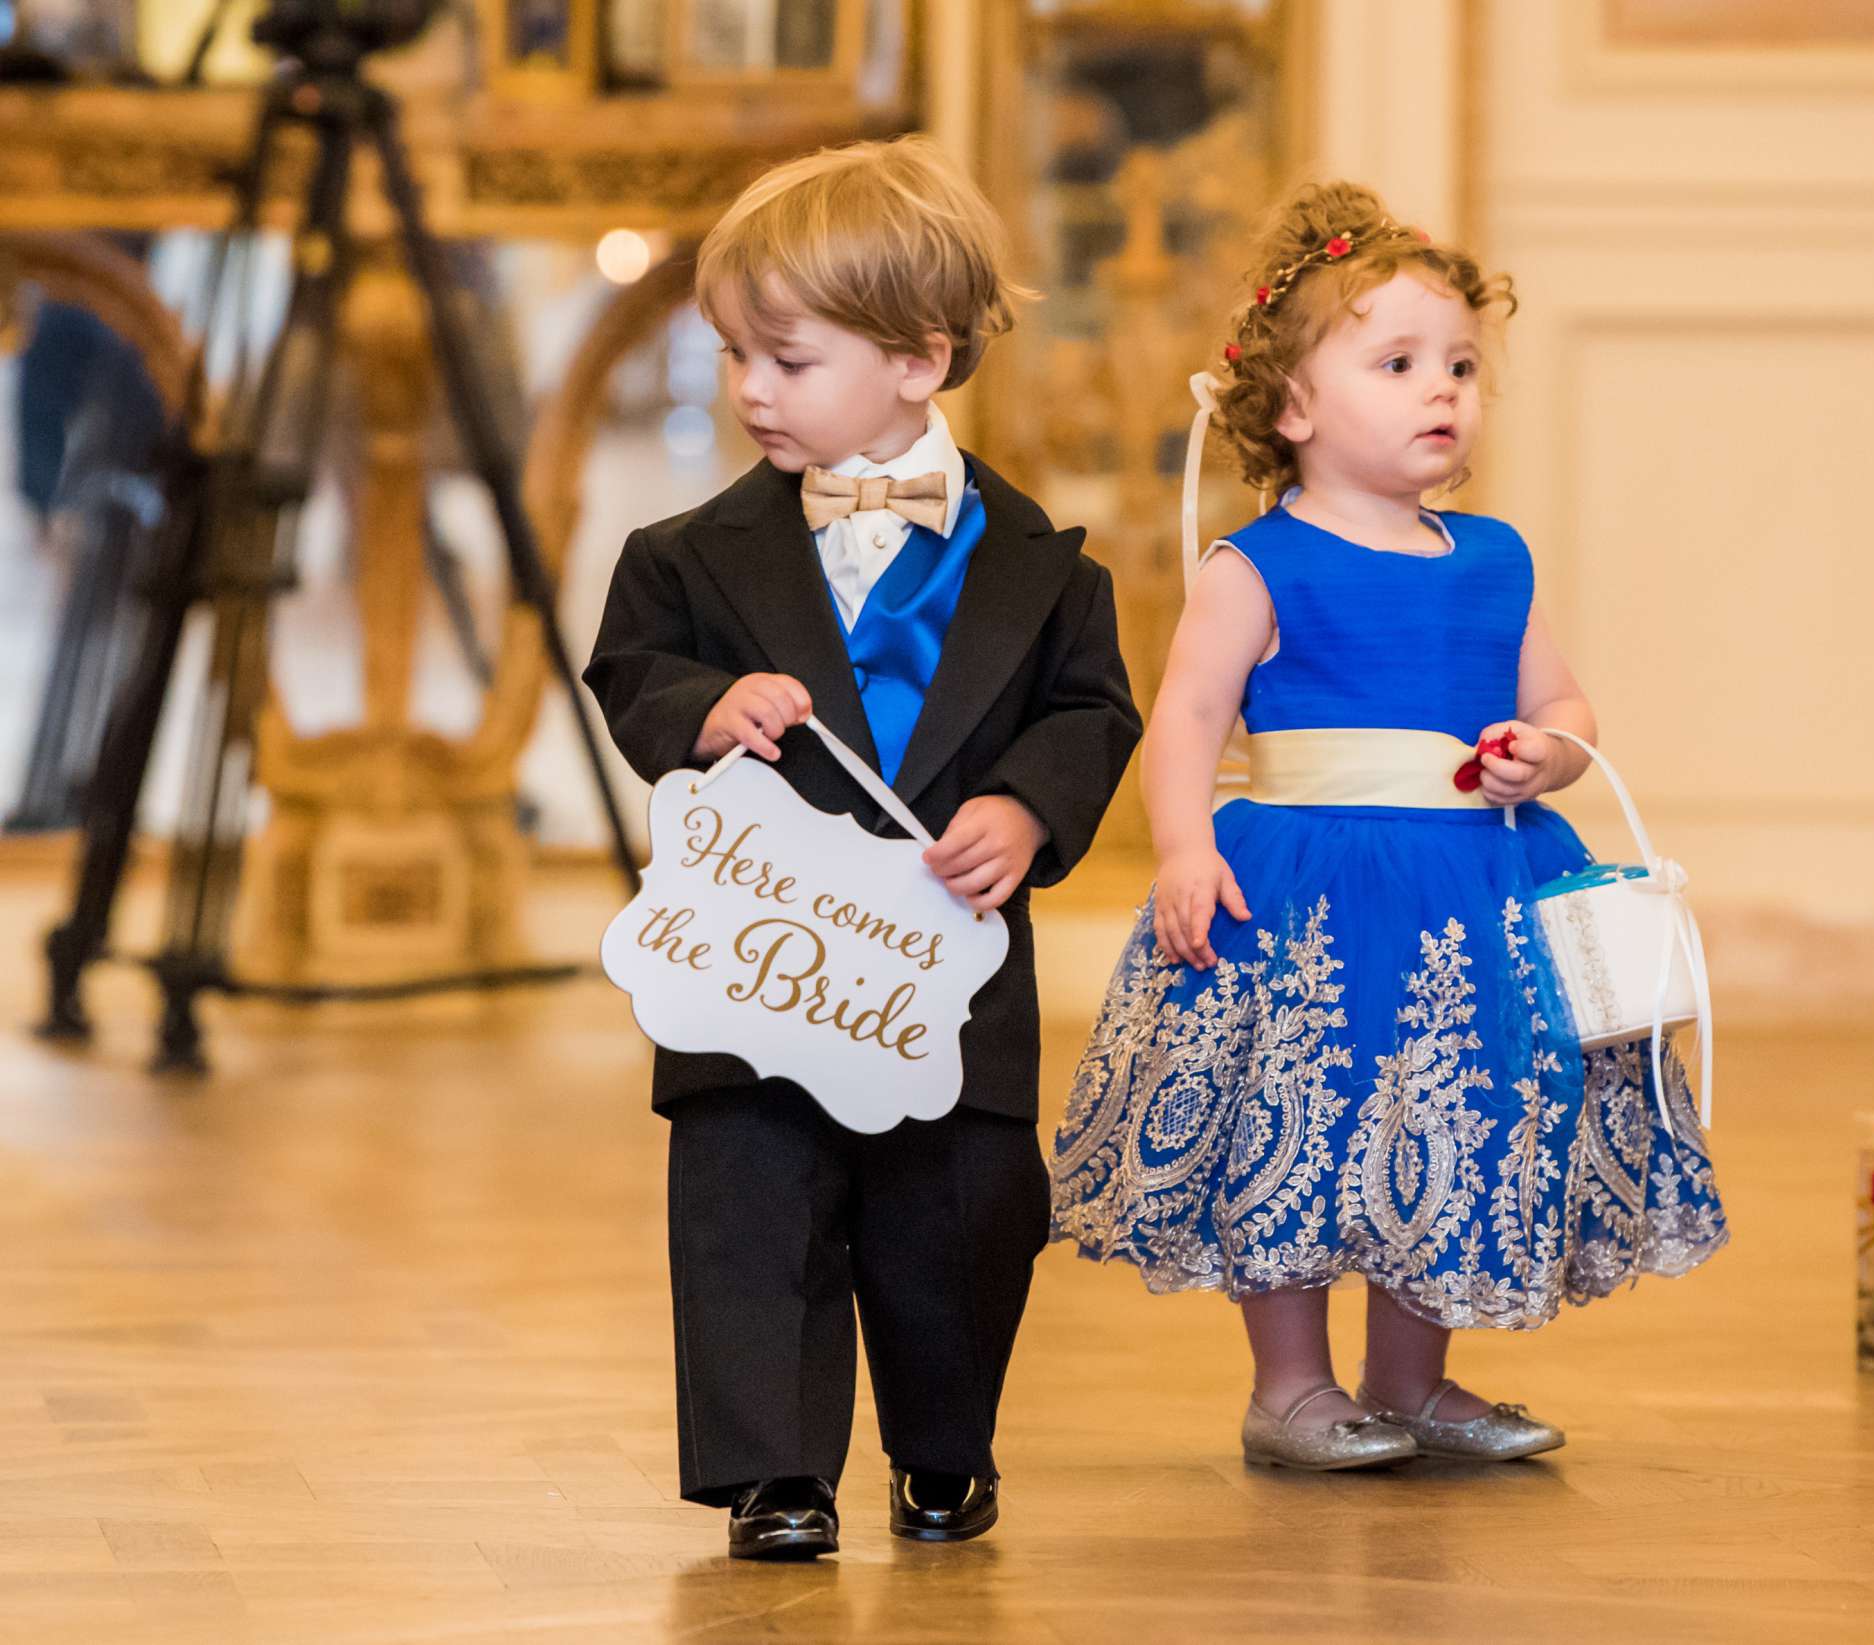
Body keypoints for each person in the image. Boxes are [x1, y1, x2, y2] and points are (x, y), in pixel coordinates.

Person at [1049, 180, 1726, 1471]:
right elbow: (1186, 719)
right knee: (1301, 1113)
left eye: (1462, 365)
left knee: (1451, 1117)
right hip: (1304, 887)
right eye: (1401, 362)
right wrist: (1187, 847)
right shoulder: (1259, 567)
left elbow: (1560, 695)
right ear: (1294, 406)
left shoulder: (1492, 558)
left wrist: (1549, 749)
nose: (1444, 391)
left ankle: (1411, 1379)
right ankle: (1288, 1383)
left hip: (1475, 883)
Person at [583, 135, 1140, 1556]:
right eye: (734, 357)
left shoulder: (1045, 566)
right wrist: (706, 705)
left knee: (960, 1219)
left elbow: (1089, 713)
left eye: (788, 358)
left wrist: (1025, 806)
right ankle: (773, 1469)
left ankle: (945, 1447)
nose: (751, 390)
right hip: (759, 965)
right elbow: (627, 672)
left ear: (917, 357)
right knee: (750, 1211)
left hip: (943, 975)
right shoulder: (685, 558)